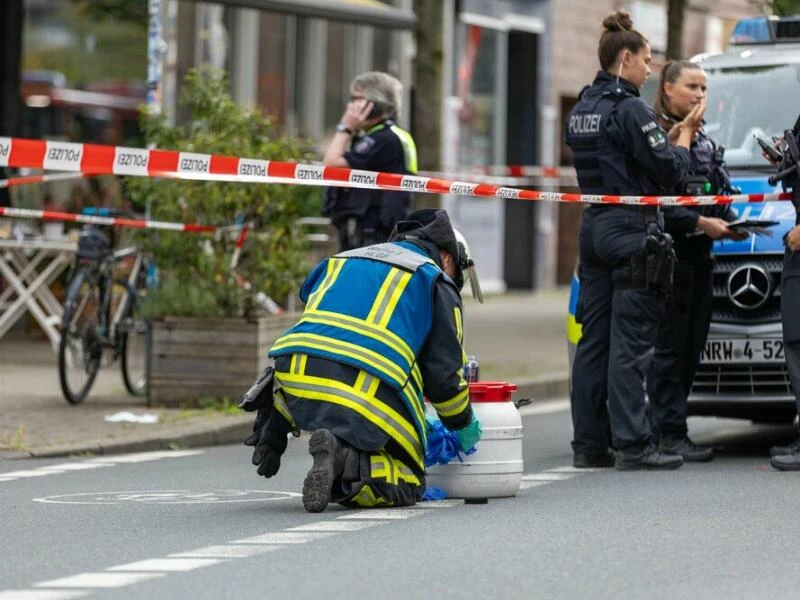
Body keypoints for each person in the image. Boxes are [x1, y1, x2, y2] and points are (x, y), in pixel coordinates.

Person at [241, 208, 484, 511]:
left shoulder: (341, 259)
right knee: (408, 482)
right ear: (448, 258)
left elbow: (311, 299)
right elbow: (442, 379)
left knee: (353, 395)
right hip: (362, 384)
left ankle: (281, 411)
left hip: (291, 373)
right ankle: (345, 461)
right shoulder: (435, 280)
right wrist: (462, 423)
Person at [565, 10, 701, 471]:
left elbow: (616, 159)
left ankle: (589, 444)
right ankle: (634, 443)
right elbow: (672, 174)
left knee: (593, 342)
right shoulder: (630, 107)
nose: (649, 70)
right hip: (631, 229)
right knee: (631, 341)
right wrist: (680, 142)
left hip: (593, 228)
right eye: (646, 61)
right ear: (624, 59)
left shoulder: (582, 107)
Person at [646, 60, 747, 463]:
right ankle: (666, 431)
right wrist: (700, 222)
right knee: (669, 348)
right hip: (672, 257)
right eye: (692, 87)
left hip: (703, 258)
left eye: (704, 89)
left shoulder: (704, 140)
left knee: (691, 348)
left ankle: (675, 426)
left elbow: (718, 190)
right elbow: (663, 200)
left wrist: (736, 220)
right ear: (668, 89)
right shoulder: (658, 136)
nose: (700, 96)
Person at [322, 71, 418, 251]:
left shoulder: (384, 139)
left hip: (372, 234)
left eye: (358, 100)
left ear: (376, 104)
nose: (351, 107)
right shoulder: (382, 135)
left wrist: (345, 127)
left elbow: (330, 165)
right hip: (370, 232)